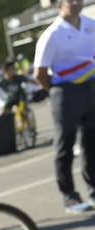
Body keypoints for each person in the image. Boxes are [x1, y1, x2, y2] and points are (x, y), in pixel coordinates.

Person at [35, 0, 95, 213]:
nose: (77, 3)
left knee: (91, 142)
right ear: (59, 5)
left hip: (90, 88)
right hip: (64, 92)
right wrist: (55, 91)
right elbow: (40, 72)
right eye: (71, 0)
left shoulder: (91, 24)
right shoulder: (52, 34)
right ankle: (70, 196)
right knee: (65, 145)